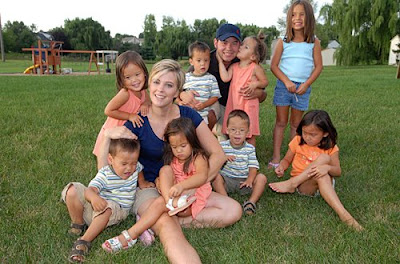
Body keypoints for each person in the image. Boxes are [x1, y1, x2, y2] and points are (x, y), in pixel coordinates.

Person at [98, 59, 242, 263]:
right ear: (149, 84)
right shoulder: (137, 121)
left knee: (233, 210)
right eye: (156, 82)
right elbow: (107, 171)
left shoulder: (188, 115)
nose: (160, 90)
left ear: (177, 92)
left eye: (169, 85)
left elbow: (217, 154)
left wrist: (196, 185)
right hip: (149, 189)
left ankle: (152, 220)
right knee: (169, 227)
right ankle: (162, 221)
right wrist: (107, 136)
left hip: (184, 183)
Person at [101, 117, 212, 253]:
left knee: (161, 204)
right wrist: (160, 182)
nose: (178, 151)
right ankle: (166, 205)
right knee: (164, 171)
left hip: (189, 200)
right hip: (172, 196)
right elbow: (168, 175)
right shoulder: (173, 158)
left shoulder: (199, 157)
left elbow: (202, 176)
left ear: (192, 141)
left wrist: (181, 187)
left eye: (183, 146)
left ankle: (130, 235)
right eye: (174, 147)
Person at [268, 110, 363, 231]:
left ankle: (292, 183)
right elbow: (286, 160)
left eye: (313, 134)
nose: (307, 137)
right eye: (304, 132)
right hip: (305, 186)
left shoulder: (331, 147)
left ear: (325, 133)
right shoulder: (297, 141)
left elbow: (337, 171)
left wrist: (327, 167)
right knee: (322, 165)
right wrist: (281, 166)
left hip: (325, 185)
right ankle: (345, 216)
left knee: (323, 162)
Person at [61, 138, 142, 262]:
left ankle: (84, 241)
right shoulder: (105, 174)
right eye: (124, 164)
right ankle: (78, 223)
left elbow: (139, 171)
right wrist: (94, 198)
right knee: (73, 189)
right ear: (110, 159)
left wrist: (143, 182)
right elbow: (89, 190)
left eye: (133, 163)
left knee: (107, 206)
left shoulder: (136, 168)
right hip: (96, 207)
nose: (129, 168)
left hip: (117, 211)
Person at [179, 23, 267, 138]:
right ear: (216, 43)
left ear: (240, 45)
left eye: (234, 43)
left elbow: (263, 94)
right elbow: (179, 87)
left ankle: (218, 131)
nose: (229, 48)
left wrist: (258, 92)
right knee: (211, 111)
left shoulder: (244, 62)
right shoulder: (204, 61)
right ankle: (203, 138)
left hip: (234, 107)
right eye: (224, 43)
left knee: (229, 143)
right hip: (211, 105)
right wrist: (182, 94)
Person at [269, 0, 323, 168]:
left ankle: (291, 156)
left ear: (309, 18)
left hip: (302, 88)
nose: (297, 18)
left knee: (296, 124)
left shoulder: (314, 42)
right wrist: (286, 81)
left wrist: (306, 84)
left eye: (301, 14)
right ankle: (276, 156)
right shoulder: (283, 41)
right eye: (293, 15)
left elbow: (319, 66)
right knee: (281, 122)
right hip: (284, 87)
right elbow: (274, 66)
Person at [92, 51, 150, 159]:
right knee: (111, 163)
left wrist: (145, 104)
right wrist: (129, 116)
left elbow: (148, 101)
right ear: (121, 79)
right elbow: (108, 110)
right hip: (114, 132)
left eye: (137, 74)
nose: (134, 80)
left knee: (123, 162)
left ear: (145, 73)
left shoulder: (143, 91)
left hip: (126, 133)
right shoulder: (125, 94)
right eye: (127, 77)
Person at [217, 34, 269, 146]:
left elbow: (265, 82)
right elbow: (225, 78)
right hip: (235, 103)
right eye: (242, 44)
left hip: (248, 104)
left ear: (253, 56)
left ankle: (251, 157)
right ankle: (236, 154)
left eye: (246, 47)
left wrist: (255, 84)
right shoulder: (234, 66)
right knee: (234, 130)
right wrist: (220, 62)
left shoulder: (255, 68)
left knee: (249, 133)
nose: (240, 47)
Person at [212, 110, 267, 215]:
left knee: (262, 178)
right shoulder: (222, 146)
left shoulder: (250, 148)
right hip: (227, 180)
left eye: (241, 130)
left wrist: (250, 180)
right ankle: (226, 201)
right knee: (215, 177)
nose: (237, 133)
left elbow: (253, 167)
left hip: (245, 182)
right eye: (233, 129)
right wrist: (223, 158)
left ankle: (251, 202)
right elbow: (214, 163)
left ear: (247, 132)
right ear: (227, 130)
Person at [176, 41, 220, 129]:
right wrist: (178, 101)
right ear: (191, 61)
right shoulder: (186, 77)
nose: (203, 63)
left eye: (206, 60)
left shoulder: (211, 79)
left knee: (201, 138)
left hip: (203, 116)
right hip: (186, 115)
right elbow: (177, 91)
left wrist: (204, 105)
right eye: (199, 60)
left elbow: (215, 97)